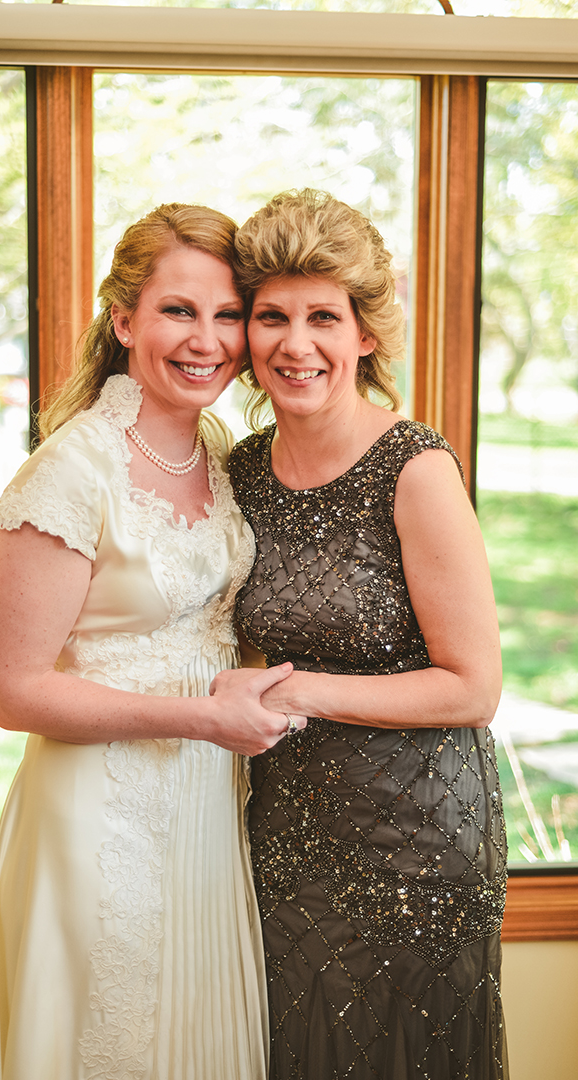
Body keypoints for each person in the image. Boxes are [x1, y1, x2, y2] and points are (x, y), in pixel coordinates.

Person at [0, 202, 306, 1080]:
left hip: (204, 809)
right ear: (124, 320)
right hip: (98, 816)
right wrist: (205, 723)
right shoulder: (69, 473)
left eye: (229, 314)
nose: (208, 340)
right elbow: (15, 691)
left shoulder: (220, 461)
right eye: (179, 310)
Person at [216, 189, 508, 1080]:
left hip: (420, 844)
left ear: (365, 334)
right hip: (290, 834)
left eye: (322, 318)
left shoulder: (413, 468)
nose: (295, 345)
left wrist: (297, 690)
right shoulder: (240, 473)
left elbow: (473, 686)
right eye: (273, 317)